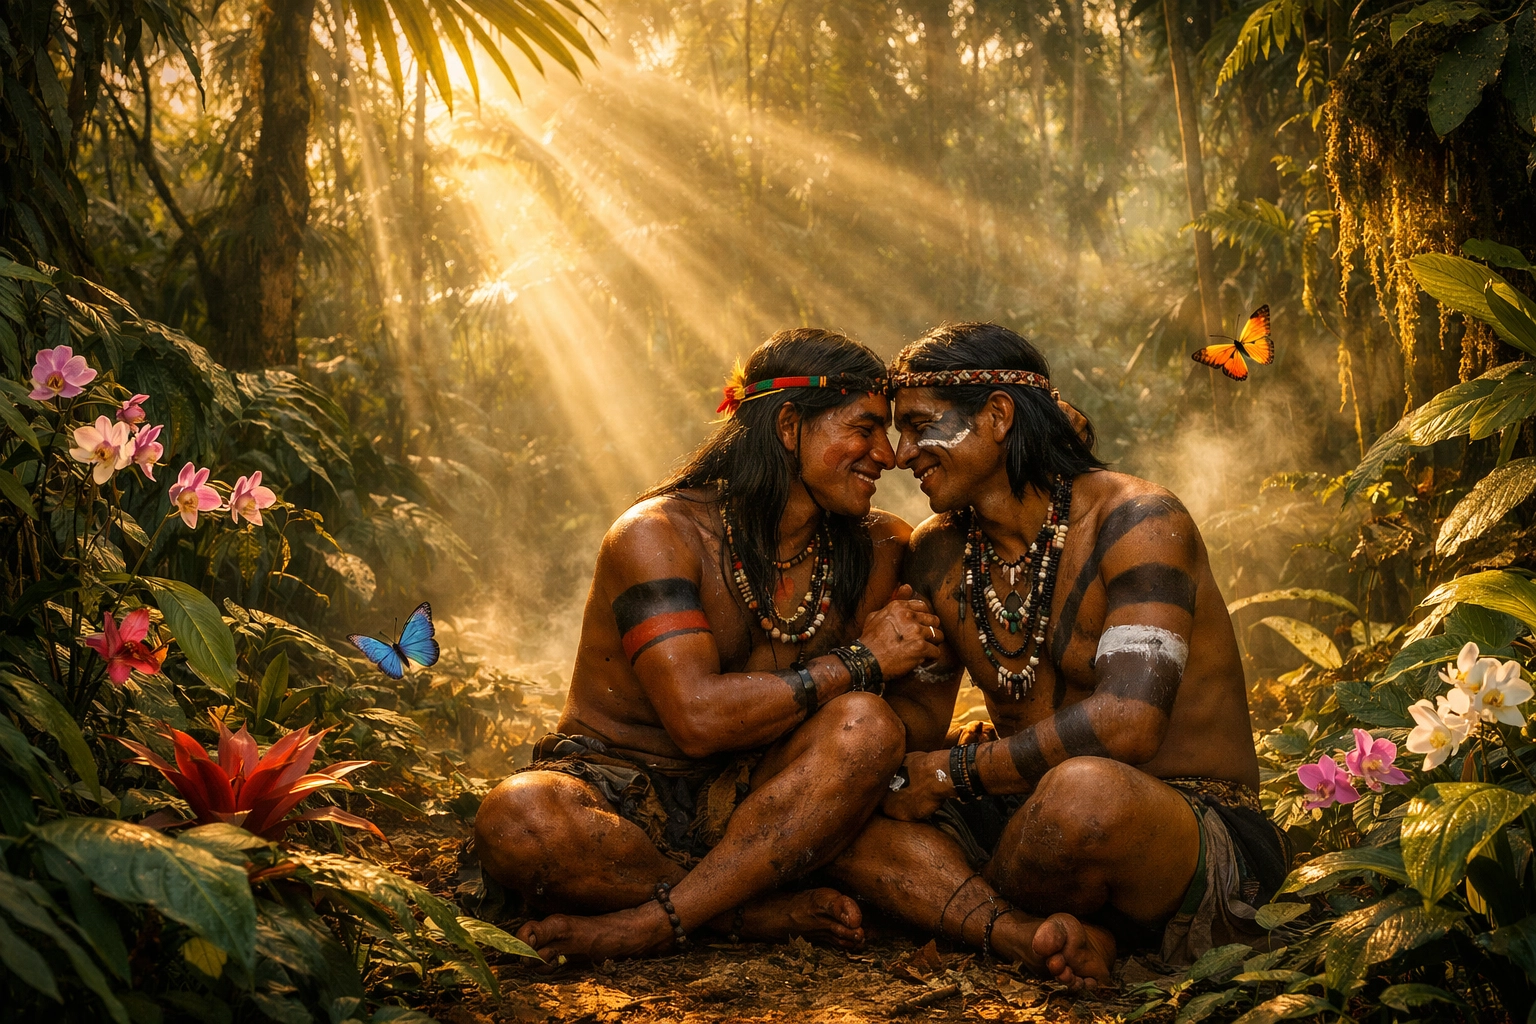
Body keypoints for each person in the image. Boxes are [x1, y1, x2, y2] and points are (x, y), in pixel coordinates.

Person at [829, 322, 1285, 990]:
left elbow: (1129, 723)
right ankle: (1034, 933)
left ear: (997, 415)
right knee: (844, 804)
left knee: (1083, 795)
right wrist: (872, 660)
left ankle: (960, 902)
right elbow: (917, 734)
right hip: (1020, 811)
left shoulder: (1139, 521)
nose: (901, 455)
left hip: (1177, 823)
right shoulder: (938, 553)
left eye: (920, 426)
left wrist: (959, 771)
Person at [475, 328, 945, 963]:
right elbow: (695, 720)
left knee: (865, 727)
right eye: (864, 429)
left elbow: (902, 721)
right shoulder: (659, 535)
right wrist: (862, 659)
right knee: (521, 820)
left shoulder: (882, 546)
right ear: (788, 426)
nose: (886, 455)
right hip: (621, 790)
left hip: (765, 795)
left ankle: (649, 923)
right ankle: (738, 911)